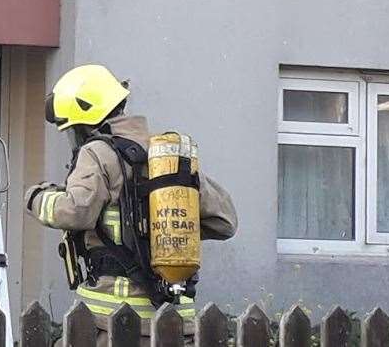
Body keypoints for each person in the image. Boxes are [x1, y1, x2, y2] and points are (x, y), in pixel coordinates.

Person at [24, 65, 238, 343]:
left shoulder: (98, 152)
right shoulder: (168, 156)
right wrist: (168, 226)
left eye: (72, 130)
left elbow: (75, 211)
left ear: (87, 121)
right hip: (174, 323)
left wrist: (36, 197)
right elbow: (225, 222)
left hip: (111, 321)